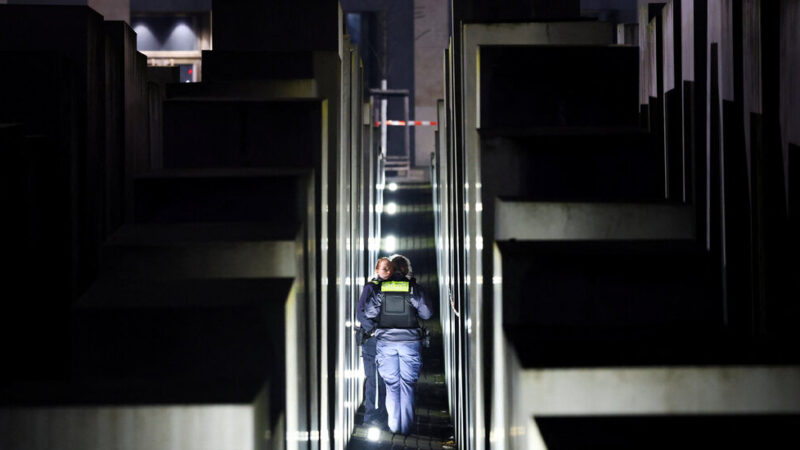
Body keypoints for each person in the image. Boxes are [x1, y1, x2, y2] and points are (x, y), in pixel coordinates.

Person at [365, 256, 432, 435]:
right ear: (406, 270)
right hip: (410, 343)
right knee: (407, 385)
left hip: (386, 343)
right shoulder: (413, 289)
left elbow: (370, 312)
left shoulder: (380, 288)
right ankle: (406, 428)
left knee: (391, 385)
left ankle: (394, 427)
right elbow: (426, 313)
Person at [356, 257, 393, 427]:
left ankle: (382, 416)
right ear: (377, 270)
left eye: (389, 268)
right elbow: (360, 312)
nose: (387, 272)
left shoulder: (394, 287)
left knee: (385, 380)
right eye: (383, 269)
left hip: (387, 339)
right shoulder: (370, 287)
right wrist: (372, 329)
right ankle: (370, 417)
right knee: (372, 379)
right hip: (372, 340)